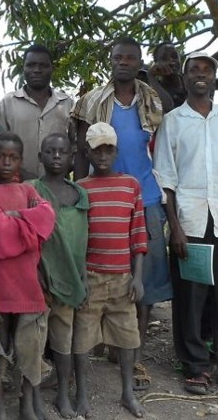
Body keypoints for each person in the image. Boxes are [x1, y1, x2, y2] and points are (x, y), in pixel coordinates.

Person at [153, 51, 218, 398]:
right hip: (191, 220)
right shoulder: (173, 121)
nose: (201, 75)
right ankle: (195, 367)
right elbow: (165, 177)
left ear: (214, 79)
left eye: (207, 70)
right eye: (194, 70)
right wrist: (176, 228)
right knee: (192, 297)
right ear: (184, 80)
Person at [72, 38, 171, 370]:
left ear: (139, 61)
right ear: (110, 61)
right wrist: (79, 195)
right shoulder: (93, 101)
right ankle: (103, 342)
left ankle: (134, 350)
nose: (123, 62)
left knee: (145, 278)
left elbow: (168, 109)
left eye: (131, 58)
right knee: (100, 268)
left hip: (146, 196)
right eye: (118, 57)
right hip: (102, 198)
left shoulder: (150, 98)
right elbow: (82, 150)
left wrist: (151, 76)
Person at [0, 132, 56, 420]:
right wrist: (28, 227)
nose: (6, 162)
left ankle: (26, 408)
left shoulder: (28, 190)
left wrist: (16, 219)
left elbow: (47, 218)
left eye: (13, 157)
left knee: (30, 347)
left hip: (28, 285)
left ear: (21, 160)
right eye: (0, 156)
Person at [73, 122, 149, 419]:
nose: (103, 155)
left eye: (108, 149)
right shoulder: (80, 188)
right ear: (88, 153)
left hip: (122, 278)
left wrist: (138, 277)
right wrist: (80, 277)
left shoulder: (130, 185)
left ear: (116, 151)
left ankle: (127, 392)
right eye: (97, 150)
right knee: (82, 337)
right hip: (91, 276)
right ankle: (81, 394)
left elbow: (138, 234)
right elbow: (78, 238)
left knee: (127, 337)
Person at [29, 133, 91, 419]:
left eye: (62, 152)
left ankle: (63, 395)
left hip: (69, 279)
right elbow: (28, 238)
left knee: (63, 342)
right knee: (33, 342)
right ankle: (31, 399)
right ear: (40, 156)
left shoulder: (79, 194)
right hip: (38, 282)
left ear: (71, 158)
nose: (56, 156)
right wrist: (36, 272)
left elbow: (83, 240)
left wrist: (82, 276)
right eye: (50, 151)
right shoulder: (32, 190)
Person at [0, 44, 74, 180]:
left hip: (57, 189)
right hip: (16, 186)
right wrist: (19, 172)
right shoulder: (8, 102)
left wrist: (58, 174)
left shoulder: (66, 104)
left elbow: (75, 147)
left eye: (43, 65)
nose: (37, 70)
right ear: (23, 68)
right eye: (31, 65)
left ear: (51, 68)